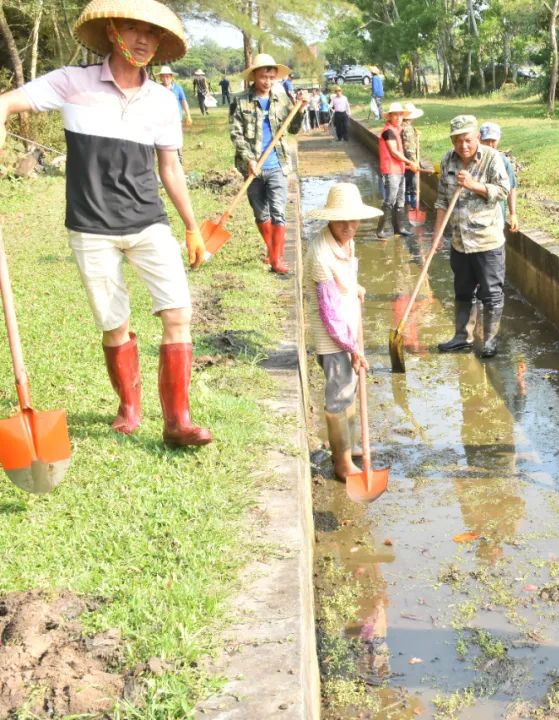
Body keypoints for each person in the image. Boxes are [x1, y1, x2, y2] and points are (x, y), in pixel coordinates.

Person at [0, 0, 211, 448]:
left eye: (153, 35)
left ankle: (177, 421)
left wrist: (191, 226)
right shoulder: (72, 83)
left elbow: (170, 167)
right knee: (114, 324)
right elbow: (9, 102)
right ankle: (129, 407)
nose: (143, 40)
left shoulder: (161, 100)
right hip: (91, 227)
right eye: (134, 29)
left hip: (149, 222)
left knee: (178, 313)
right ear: (113, 31)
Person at [304, 182, 382, 480]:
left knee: (349, 390)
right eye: (343, 220)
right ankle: (342, 461)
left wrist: (355, 287)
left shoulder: (346, 241)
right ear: (330, 219)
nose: (350, 226)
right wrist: (354, 349)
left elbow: (345, 278)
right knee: (339, 394)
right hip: (334, 338)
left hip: (348, 328)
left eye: (354, 219)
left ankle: (350, 446)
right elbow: (329, 313)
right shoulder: (320, 255)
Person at [434, 115, 511, 359]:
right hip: (460, 241)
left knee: (491, 293)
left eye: (467, 140)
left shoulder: (491, 158)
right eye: (457, 141)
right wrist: (437, 237)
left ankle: (489, 339)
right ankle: (462, 337)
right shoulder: (447, 160)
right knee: (462, 290)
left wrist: (473, 185)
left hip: (487, 241)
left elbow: (502, 190)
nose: (463, 146)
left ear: (477, 137)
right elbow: (442, 201)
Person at [229, 52, 306, 275]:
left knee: (278, 212)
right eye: (264, 76)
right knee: (261, 213)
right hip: (251, 167)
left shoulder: (282, 99)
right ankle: (272, 251)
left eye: (272, 77)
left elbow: (292, 129)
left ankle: (276, 259)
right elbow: (236, 134)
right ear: (254, 76)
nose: (268, 81)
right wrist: (249, 159)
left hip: (277, 164)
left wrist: (299, 110)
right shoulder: (240, 100)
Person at [375, 102, 419, 239]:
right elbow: (393, 152)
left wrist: (406, 164)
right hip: (390, 170)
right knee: (390, 200)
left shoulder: (396, 131)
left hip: (399, 170)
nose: (399, 117)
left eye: (400, 115)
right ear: (390, 117)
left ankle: (399, 228)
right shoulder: (388, 132)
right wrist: (410, 162)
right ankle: (380, 229)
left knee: (400, 200)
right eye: (396, 115)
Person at [478, 122, 519, 233]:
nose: (490, 144)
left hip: (497, 216)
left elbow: (511, 188)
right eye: (486, 141)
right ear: (479, 139)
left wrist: (513, 214)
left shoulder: (503, 161)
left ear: (499, 140)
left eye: (493, 141)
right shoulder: (473, 160)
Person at [401, 102, 423, 212]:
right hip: (409, 162)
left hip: (402, 162)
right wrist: (414, 163)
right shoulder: (407, 129)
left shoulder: (403, 126)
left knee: (406, 185)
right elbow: (409, 148)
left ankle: (407, 204)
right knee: (413, 185)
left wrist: (416, 133)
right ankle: (414, 207)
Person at [158, 65, 192, 129]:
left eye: (167, 77)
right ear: (160, 77)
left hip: (176, 118)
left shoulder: (178, 88)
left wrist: (188, 116)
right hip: (162, 118)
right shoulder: (157, 88)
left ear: (171, 77)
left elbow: (183, 102)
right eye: (163, 77)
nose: (165, 79)